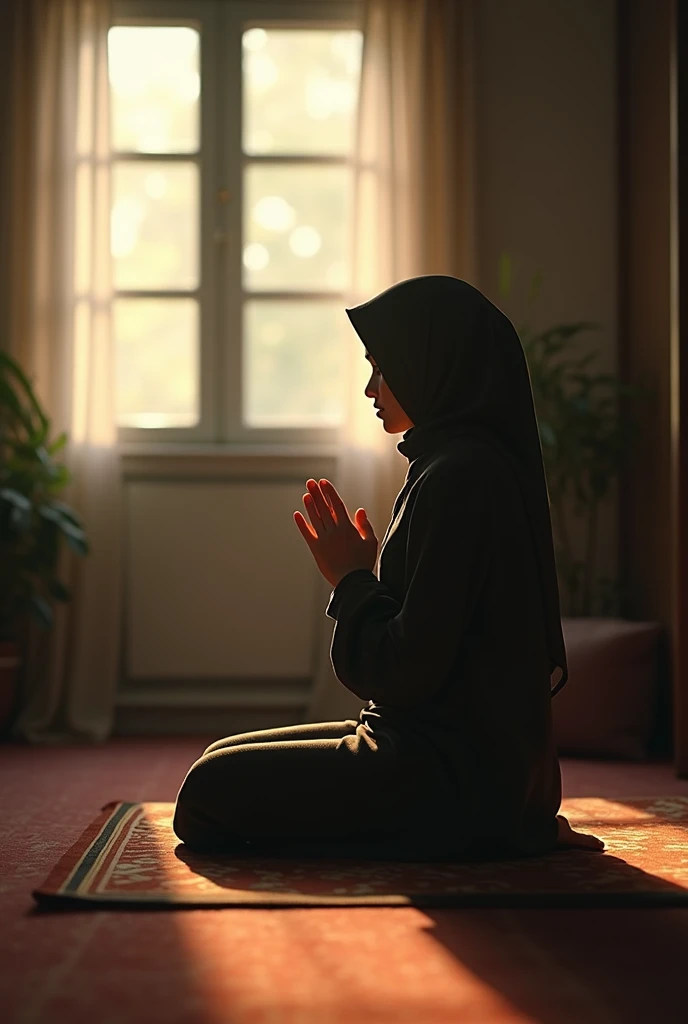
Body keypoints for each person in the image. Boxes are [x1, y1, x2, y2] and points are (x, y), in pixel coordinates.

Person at [173, 275, 603, 860]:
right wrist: (359, 577)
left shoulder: (460, 478)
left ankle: (465, 835)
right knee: (216, 759)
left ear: (433, 365)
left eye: (383, 368)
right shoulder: (451, 465)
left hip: (456, 778)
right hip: (452, 757)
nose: (372, 388)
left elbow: (404, 672)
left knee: (205, 795)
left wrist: (351, 581)